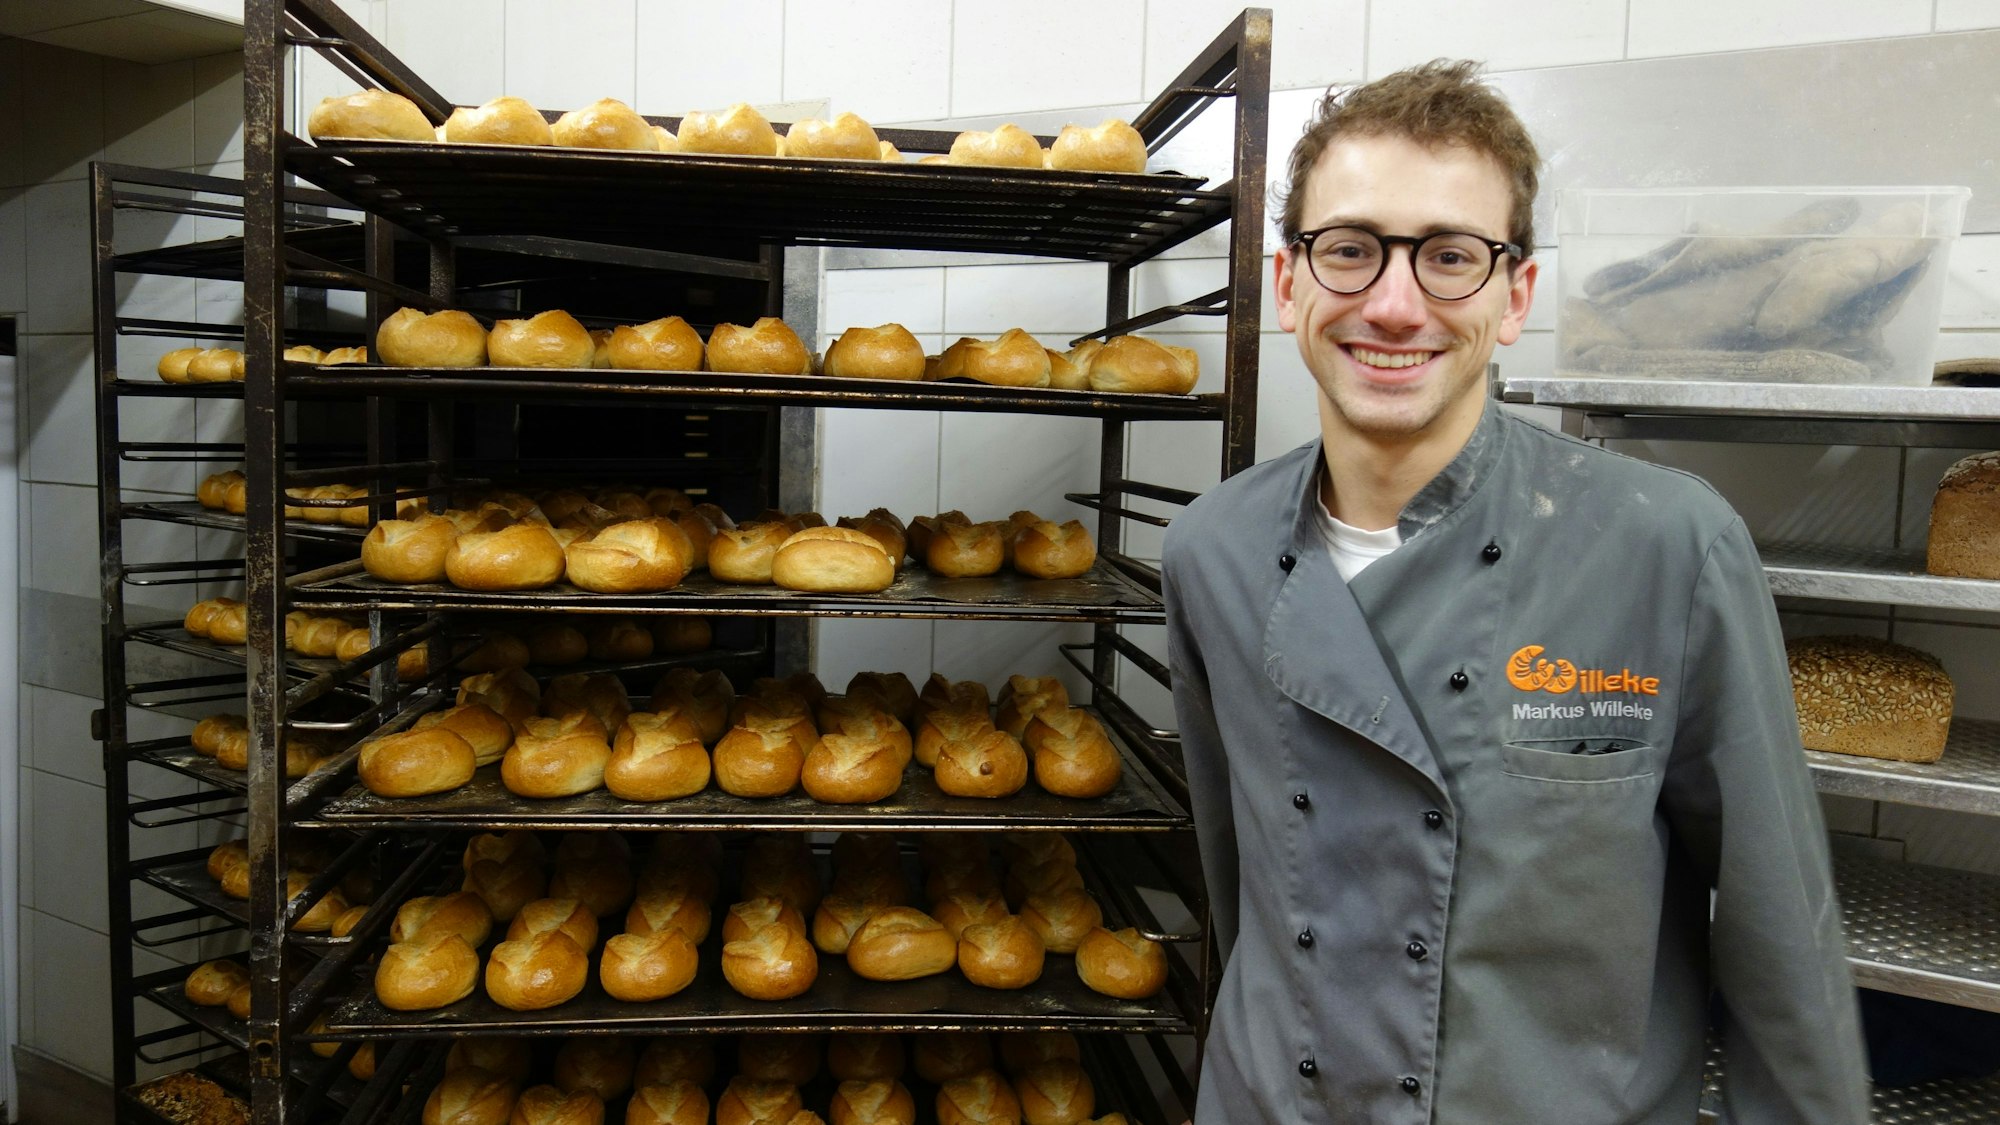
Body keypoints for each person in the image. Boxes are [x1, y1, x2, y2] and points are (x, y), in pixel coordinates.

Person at [1161, 60, 1868, 1124]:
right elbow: (1238, 880)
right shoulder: (1208, 548)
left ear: (1513, 297)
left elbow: (1779, 939)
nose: (1393, 305)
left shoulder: (1662, 545)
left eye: (1449, 257)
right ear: (1288, 283)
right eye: (1348, 251)